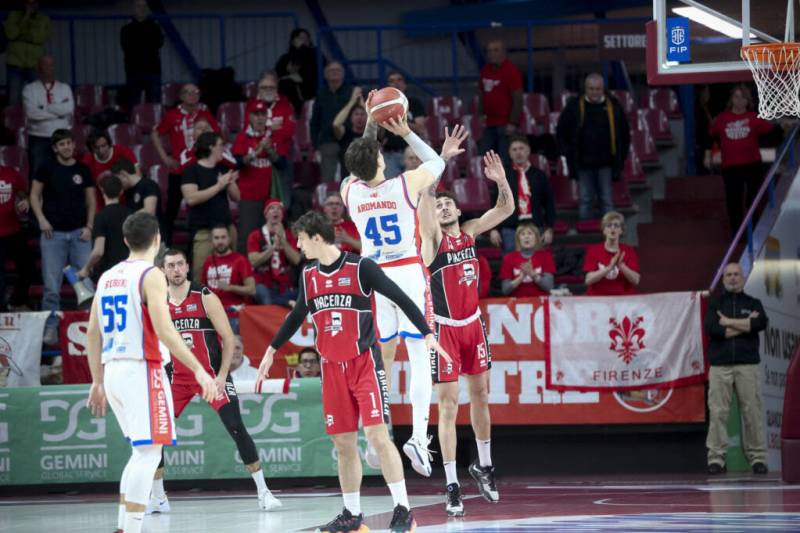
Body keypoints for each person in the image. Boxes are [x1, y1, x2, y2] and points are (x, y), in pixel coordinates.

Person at [256, 210, 451, 533]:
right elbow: (296, 317)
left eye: (302, 239)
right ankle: (353, 515)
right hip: (331, 369)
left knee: (376, 436)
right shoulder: (308, 275)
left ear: (316, 238)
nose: (299, 245)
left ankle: (404, 510)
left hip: (364, 364)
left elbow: (402, 299)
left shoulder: (361, 267)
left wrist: (428, 334)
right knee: (343, 444)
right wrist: (271, 350)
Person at [85, 212, 216, 533]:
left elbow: (92, 332)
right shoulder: (151, 275)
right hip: (141, 369)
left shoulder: (106, 277)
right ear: (157, 240)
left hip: (113, 370)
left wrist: (96, 380)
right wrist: (199, 368)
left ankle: (123, 527)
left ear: (126, 240)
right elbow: (165, 329)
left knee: (140, 452)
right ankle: (130, 529)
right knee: (148, 454)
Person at [341, 107, 452, 477]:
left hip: (372, 279)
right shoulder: (405, 184)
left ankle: (378, 435)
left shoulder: (350, 191)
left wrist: (372, 122)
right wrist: (405, 131)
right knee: (419, 356)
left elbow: (359, 160)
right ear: (377, 159)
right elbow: (436, 161)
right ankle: (418, 438)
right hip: (406, 274)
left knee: (379, 361)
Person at [147, 248, 281, 513]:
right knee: (156, 436)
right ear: (162, 270)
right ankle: (159, 498)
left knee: (236, 428)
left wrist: (221, 376)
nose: (175, 270)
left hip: (211, 377)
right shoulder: (158, 301)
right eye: (170, 265)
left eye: (180, 264)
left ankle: (264, 492)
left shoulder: (204, 296)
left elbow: (229, 339)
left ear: (187, 267)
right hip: (177, 379)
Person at [417, 150, 513, 516]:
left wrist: (501, 179)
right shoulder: (432, 242)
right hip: (444, 331)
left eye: (447, 205)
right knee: (448, 407)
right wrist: (438, 162)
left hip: (474, 325)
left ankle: (484, 467)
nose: (442, 208)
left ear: (458, 212)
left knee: (481, 398)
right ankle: (452, 485)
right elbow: (426, 201)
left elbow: (504, 210)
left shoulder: (471, 232)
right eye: (438, 205)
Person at [30, 129, 96, 344]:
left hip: (80, 234)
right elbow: (34, 195)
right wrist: (40, 219)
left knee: (87, 283)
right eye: (62, 144)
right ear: (55, 148)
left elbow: (91, 201)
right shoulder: (46, 168)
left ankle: (93, 327)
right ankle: (51, 329)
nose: (67, 147)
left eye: (69, 143)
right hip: (53, 236)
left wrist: (89, 226)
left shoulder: (82, 169)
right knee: (51, 287)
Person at [704, 262, 769, 475]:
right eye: (729, 275)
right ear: (723, 279)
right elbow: (713, 330)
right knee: (718, 413)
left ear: (743, 277)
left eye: (736, 274)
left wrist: (729, 322)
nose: (732, 278)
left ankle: (758, 458)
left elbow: (760, 324)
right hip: (720, 366)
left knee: (752, 412)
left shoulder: (754, 303)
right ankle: (716, 459)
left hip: (747, 365)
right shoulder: (715, 305)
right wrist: (744, 325)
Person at [556, 73, 630, 220]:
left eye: (597, 89)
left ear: (603, 89)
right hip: (582, 164)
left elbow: (624, 133)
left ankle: (609, 236)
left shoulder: (613, 106)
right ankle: (586, 236)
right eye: (591, 89)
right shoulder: (574, 105)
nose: (594, 92)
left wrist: (622, 158)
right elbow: (561, 130)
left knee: (607, 200)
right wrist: (567, 152)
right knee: (585, 200)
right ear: (585, 89)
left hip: (607, 163)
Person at [153, 84, 221, 242]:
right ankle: (165, 248)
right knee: (171, 211)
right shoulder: (172, 115)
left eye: (196, 92)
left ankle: (197, 247)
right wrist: (165, 158)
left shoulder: (204, 115)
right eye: (188, 93)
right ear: (181, 96)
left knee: (199, 210)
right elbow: (155, 134)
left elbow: (217, 135)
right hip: (178, 170)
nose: (192, 96)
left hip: (200, 170)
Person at [709, 85, 775, 235]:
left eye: (743, 97)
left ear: (748, 101)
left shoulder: (753, 117)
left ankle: (756, 229)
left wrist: (784, 125)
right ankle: (738, 234)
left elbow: (772, 130)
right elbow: (711, 133)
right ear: (731, 99)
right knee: (734, 201)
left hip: (752, 164)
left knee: (753, 199)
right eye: (736, 97)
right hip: (731, 167)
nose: (739, 101)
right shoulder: (722, 118)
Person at [181, 131, 241, 281]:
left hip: (226, 228)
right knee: (200, 273)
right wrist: (219, 186)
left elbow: (237, 197)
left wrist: (230, 182)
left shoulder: (222, 169)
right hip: (204, 231)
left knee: (232, 270)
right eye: (220, 145)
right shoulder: (191, 171)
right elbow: (191, 198)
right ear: (210, 147)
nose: (223, 149)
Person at [232, 100, 285, 254]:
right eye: (256, 114)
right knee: (247, 237)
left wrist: (270, 151)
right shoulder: (243, 138)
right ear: (250, 117)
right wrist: (256, 151)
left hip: (270, 197)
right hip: (249, 197)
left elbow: (283, 164)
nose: (260, 118)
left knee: (270, 237)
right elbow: (237, 163)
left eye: (263, 114)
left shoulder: (273, 137)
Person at [489, 135, 556, 253]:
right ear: (509, 153)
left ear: (528, 150)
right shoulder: (502, 177)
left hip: (536, 228)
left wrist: (549, 228)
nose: (518, 152)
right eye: (514, 150)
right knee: (512, 269)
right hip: (509, 230)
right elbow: (495, 205)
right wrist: (494, 229)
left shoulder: (540, 175)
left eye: (521, 148)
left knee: (536, 267)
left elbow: (549, 204)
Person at [22, 55, 74, 180]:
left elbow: (68, 109)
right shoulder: (29, 89)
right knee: (37, 173)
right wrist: (58, 111)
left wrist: (47, 107)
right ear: (39, 68)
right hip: (38, 137)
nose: (49, 68)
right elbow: (31, 113)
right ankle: (37, 199)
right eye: (45, 65)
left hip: (61, 136)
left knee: (62, 172)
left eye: (51, 65)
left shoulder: (65, 88)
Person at [77, 175, 133, 283]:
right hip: (130, 271)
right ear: (121, 191)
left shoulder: (101, 216)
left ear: (102, 191)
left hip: (109, 273)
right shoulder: (131, 214)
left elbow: (98, 251)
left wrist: (86, 268)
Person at [200, 224, 255, 332]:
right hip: (213, 315)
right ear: (212, 241)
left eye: (223, 237)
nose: (220, 241)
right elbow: (203, 288)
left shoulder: (240, 260)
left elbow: (252, 289)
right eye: (216, 238)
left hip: (234, 315)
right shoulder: (208, 261)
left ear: (229, 239)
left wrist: (230, 287)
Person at [247, 199, 301, 306]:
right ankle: (285, 303)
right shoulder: (255, 235)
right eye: (272, 208)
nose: (276, 211)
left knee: (305, 293)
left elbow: (296, 260)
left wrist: (282, 240)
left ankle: (283, 302)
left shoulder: (289, 235)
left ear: (282, 215)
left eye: (279, 209)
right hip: (263, 284)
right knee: (265, 295)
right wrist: (273, 248)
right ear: (266, 214)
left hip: (284, 286)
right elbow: (254, 261)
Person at [476, 40, 523, 161]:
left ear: (503, 52)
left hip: (506, 124)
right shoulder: (485, 71)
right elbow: (482, 94)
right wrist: (480, 113)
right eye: (489, 51)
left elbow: (518, 99)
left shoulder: (512, 71)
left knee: (504, 159)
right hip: (489, 124)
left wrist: (513, 122)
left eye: (496, 50)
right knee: (483, 157)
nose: (492, 53)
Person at [310, 62, 353, 182]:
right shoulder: (321, 94)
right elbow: (314, 122)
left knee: (350, 179)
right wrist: (315, 145)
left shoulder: (351, 92)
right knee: (327, 180)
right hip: (327, 141)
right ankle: (330, 200)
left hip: (348, 140)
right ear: (325, 75)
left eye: (338, 70)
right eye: (331, 70)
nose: (334, 72)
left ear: (343, 74)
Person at [4, 0, 51, 107]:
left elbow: (41, 37)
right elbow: (11, 34)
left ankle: (38, 121)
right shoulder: (13, 16)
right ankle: (14, 122)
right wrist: (25, 17)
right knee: (13, 99)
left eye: (34, 3)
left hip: (35, 63)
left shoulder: (43, 18)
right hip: (15, 63)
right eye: (29, 3)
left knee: (38, 97)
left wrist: (21, 35)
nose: (32, 5)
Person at [0, 165, 33, 311]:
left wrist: (25, 201)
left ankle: (16, 302)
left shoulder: (11, 173)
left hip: (14, 230)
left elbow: (23, 195)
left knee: (28, 268)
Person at [583, 211, 640, 296]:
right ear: (604, 230)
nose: (612, 228)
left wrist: (622, 266)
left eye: (616, 226)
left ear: (621, 230)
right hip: (598, 298)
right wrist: (609, 268)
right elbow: (588, 280)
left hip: (623, 299)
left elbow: (636, 280)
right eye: (609, 225)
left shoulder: (629, 250)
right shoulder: (593, 250)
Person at [119, 0, 164, 109]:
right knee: (133, 105)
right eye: (138, 6)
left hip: (152, 71)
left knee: (154, 105)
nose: (142, 9)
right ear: (133, 9)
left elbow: (159, 43)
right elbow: (127, 48)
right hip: (133, 71)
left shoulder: (155, 27)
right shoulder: (126, 29)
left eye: (144, 6)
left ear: (148, 9)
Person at [382, 71, 427, 178]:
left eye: (399, 80)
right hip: (390, 155)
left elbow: (421, 129)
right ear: (388, 86)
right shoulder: (382, 106)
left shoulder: (415, 103)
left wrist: (402, 120)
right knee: (391, 188)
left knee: (415, 187)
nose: (396, 83)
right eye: (392, 81)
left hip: (412, 154)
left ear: (405, 85)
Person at [81, 129, 138, 211]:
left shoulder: (123, 151)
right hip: (101, 206)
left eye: (104, 146)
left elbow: (137, 177)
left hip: (126, 201)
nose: (101, 151)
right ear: (91, 148)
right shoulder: (87, 162)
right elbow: (88, 192)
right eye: (96, 148)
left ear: (109, 143)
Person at [499, 223, 555, 298]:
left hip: (540, 303)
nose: (526, 236)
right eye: (523, 234)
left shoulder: (546, 256)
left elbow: (548, 286)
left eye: (530, 233)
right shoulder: (509, 258)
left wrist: (532, 274)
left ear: (536, 238)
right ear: (518, 239)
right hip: (517, 304)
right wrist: (521, 277)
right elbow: (505, 290)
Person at [274, 28, 319, 115]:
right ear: (293, 40)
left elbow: (312, 70)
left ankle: (297, 113)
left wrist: (302, 48)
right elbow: (278, 73)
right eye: (300, 38)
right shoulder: (286, 57)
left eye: (306, 38)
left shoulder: (315, 53)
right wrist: (291, 76)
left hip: (308, 87)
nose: (303, 41)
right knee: (285, 84)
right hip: (290, 89)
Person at [333, 87, 368, 174]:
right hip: (348, 180)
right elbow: (336, 124)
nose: (359, 117)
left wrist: (363, 104)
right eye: (356, 114)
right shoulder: (345, 134)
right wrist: (352, 101)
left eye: (362, 114)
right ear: (351, 118)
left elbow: (376, 121)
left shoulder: (371, 133)